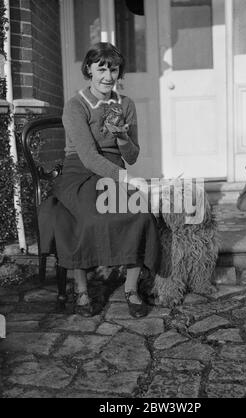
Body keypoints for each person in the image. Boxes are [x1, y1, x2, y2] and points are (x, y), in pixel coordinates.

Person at [49, 42, 161, 318]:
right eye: (101, 69)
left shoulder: (126, 104)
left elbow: (133, 156)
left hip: (114, 169)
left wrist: (122, 136)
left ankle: (132, 289)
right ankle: (82, 290)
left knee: (141, 215)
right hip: (80, 172)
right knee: (89, 218)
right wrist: (127, 179)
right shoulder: (76, 105)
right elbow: (87, 157)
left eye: (114, 69)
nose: (108, 77)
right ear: (89, 69)